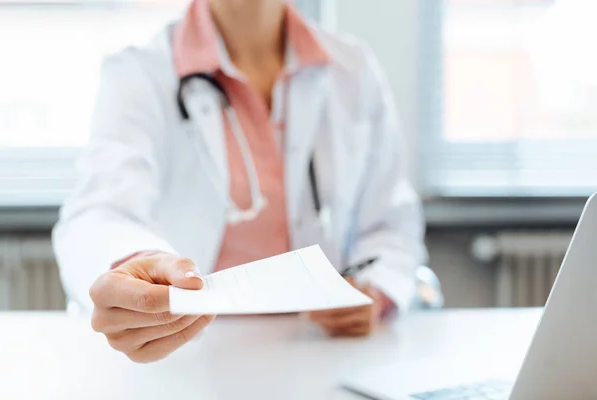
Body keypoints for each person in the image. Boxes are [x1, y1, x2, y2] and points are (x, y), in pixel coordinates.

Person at [52, 0, 426, 363]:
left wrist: (375, 288)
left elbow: (392, 223)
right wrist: (136, 270)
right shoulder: (139, 74)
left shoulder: (352, 70)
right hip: (187, 356)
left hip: (323, 351)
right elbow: (99, 213)